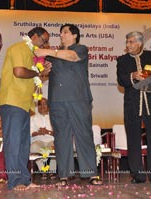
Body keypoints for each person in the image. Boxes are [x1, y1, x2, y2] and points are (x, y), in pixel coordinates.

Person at [34, 24, 102, 187]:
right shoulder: (53, 56)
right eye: (61, 33)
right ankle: (64, 175)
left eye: (65, 32)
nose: (61, 35)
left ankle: (90, 173)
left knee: (83, 135)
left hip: (79, 99)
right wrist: (43, 71)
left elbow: (71, 57)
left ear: (75, 36)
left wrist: (47, 51)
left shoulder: (80, 49)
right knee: (61, 137)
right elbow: (42, 74)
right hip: (57, 101)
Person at [0, 27, 51, 191]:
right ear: (34, 37)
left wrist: (43, 73)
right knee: (13, 143)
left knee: (23, 144)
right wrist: (37, 72)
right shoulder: (19, 48)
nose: (46, 44)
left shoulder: (33, 56)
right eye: (44, 40)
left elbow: (34, 77)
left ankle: (25, 179)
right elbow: (19, 72)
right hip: (12, 100)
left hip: (24, 104)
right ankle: (14, 181)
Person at [116, 31, 151, 184]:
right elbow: (121, 80)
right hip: (132, 104)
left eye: (131, 42)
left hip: (150, 102)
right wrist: (133, 76)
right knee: (133, 139)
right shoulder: (122, 60)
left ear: (139, 43)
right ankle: (138, 175)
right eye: (127, 42)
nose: (128, 45)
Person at [30, 98, 56, 180]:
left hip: (51, 140)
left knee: (55, 146)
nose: (42, 106)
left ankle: (52, 171)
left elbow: (58, 132)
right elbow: (31, 132)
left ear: (48, 106)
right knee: (33, 147)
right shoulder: (33, 118)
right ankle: (42, 171)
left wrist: (47, 132)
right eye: (40, 104)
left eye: (45, 104)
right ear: (37, 107)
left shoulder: (53, 117)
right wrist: (39, 132)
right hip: (38, 140)